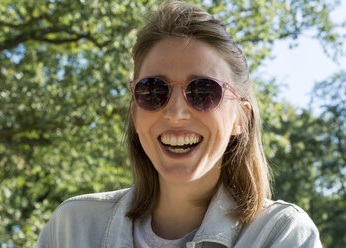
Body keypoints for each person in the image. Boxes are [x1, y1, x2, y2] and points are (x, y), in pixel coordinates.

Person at [36, 1, 322, 247]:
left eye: (203, 91)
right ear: (135, 114)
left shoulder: (281, 234)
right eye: (153, 90)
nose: (175, 113)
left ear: (240, 119)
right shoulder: (72, 228)